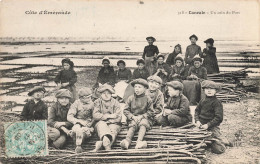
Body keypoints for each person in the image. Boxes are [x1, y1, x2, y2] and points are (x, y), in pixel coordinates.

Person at [120, 79, 154, 149]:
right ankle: (127, 141)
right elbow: (126, 110)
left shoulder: (148, 99)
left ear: (145, 89)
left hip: (145, 118)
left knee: (143, 124)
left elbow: (151, 111)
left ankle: (139, 141)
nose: (137, 89)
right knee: (132, 125)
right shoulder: (131, 98)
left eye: (139, 87)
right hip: (133, 118)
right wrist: (132, 116)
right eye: (135, 87)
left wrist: (142, 116)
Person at [195, 80, 226, 154]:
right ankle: (207, 141)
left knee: (218, 149)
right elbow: (196, 111)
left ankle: (223, 141)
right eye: (207, 88)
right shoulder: (202, 100)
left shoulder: (217, 102)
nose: (209, 90)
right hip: (201, 126)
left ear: (215, 91)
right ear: (204, 90)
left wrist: (208, 125)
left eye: (212, 89)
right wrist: (197, 121)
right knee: (194, 141)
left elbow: (219, 118)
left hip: (212, 127)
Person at [93, 84, 122, 151]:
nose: (106, 95)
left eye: (108, 93)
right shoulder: (97, 102)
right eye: (104, 93)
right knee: (102, 126)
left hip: (114, 123)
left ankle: (104, 145)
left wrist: (107, 121)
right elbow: (95, 115)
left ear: (111, 94)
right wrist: (109, 116)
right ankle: (106, 144)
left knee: (113, 130)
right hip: (101, 123)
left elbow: (118, 117)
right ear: (100, 94)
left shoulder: (116, 103)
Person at [67, 87, 95, 153]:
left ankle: (79, 144)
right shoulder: (76, 104)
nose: (90, 99)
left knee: (85, 131)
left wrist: (91, 122)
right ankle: (76, 144)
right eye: (87, 98)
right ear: (81, 98)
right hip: (78, 122)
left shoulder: (92, 104)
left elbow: (95, 116)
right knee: (76, 129)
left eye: (90, 97)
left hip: (88, 123)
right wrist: (78, 121)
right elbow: (69, 116)